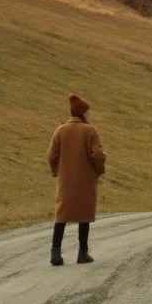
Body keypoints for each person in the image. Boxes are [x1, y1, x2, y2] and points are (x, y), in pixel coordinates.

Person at [47, 94, 107, 266]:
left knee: (61, 215)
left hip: (65, 179)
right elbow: (98, 155)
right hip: (86, 179)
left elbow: (51, 155)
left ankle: (55, 253)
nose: (89, 115)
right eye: (88, 112)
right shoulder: (90, 131)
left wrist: (57, 172)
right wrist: (99, 170)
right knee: (84, 215)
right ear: (82, 112)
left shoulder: (60, 130)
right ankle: (82, 253)